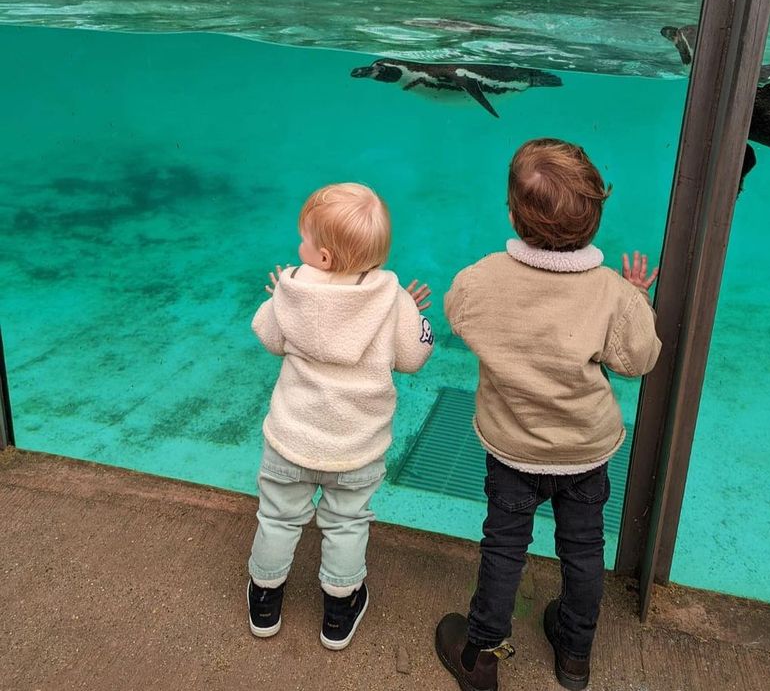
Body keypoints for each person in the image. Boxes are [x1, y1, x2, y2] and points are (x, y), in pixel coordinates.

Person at [435, 138, 662, 691]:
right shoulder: (612, 293)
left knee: (504, 548)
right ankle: (575, 653)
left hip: (512, 451)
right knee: (583, 551)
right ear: (595, 220)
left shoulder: (481, 279)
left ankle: (480, 654)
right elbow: (638, 360)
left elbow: (458, 314)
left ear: (512, 213)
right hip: (585, 452)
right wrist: (635, 301)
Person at [248, 182, 434, 650]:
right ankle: (337, 610)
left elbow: (269, 338)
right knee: (346, 524)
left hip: (289, 441)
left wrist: (279, 299)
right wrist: (416, 317)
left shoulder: (293, 287)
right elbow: (413, 358)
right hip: (356, 450)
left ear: (324, 258)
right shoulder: (395, 301)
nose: (299, 247)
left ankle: (265, 599)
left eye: (305, 239)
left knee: (278, 517)